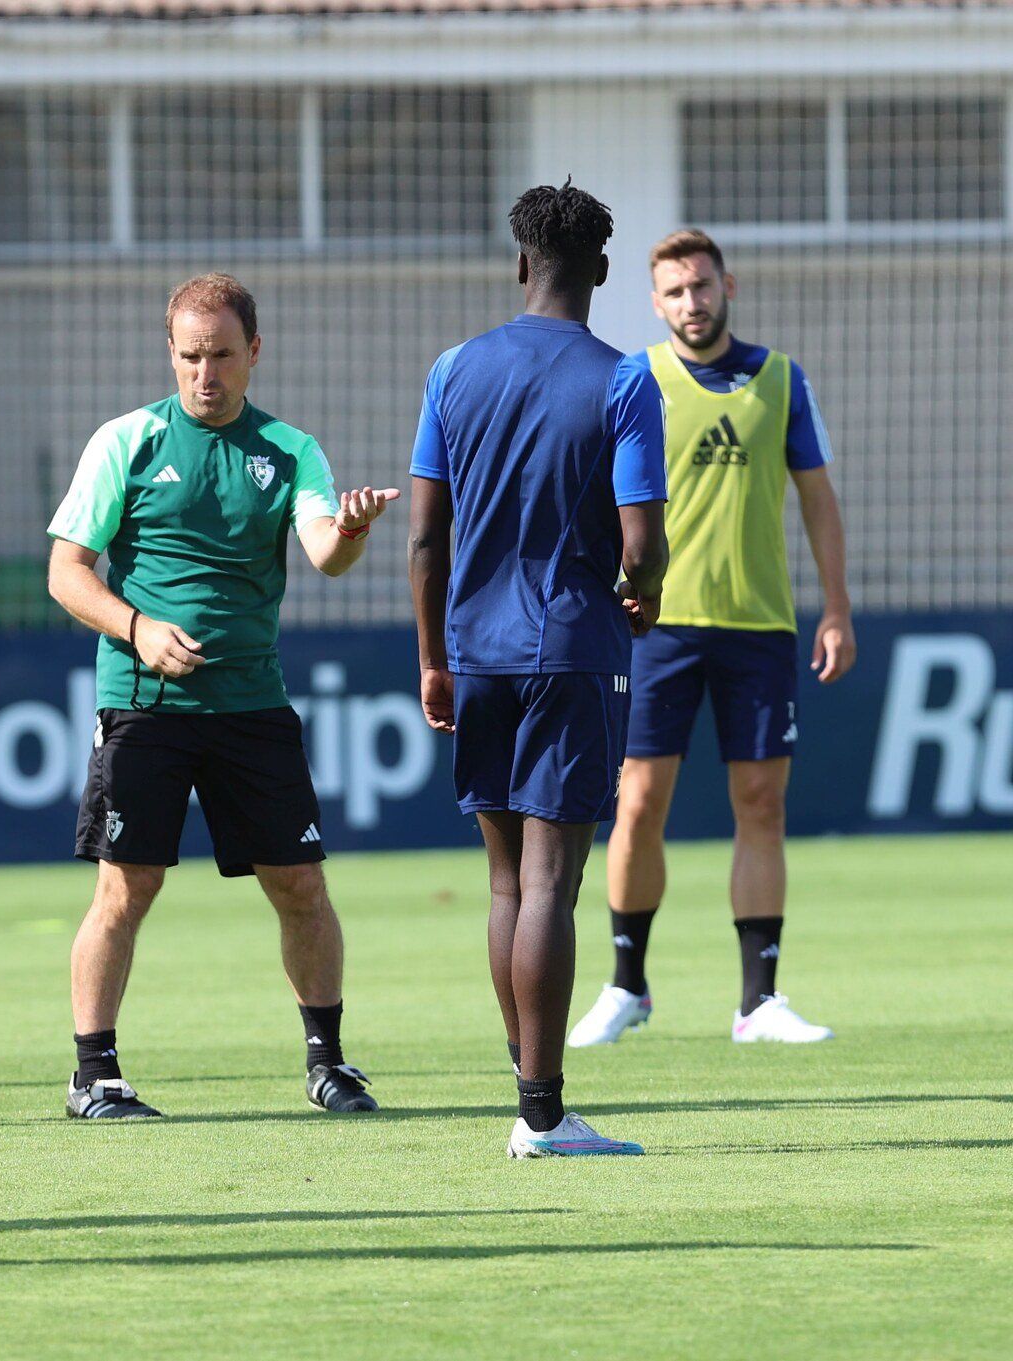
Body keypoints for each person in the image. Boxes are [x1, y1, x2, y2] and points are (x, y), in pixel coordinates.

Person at [46, 273, 395, 1121]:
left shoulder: (289, 449)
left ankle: (329, 1062)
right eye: (191, 356)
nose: (207, 373)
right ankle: (95, 1073)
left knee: (301, 885)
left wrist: (348, 532)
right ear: (170, 353)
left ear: (255, 353)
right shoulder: (126, 441)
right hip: (143, 705)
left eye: (223, 355)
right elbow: (66, 573)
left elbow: (323, 550)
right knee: (125, 889)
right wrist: (138, 629)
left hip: (252, 702)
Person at [408, 183, 667, 1158]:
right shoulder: (623, 379)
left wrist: (432, 657)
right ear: (598, 269)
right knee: (553, 884)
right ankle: (543, 1113)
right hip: (568, 650)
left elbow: (424, 538)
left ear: (519, 263)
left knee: (504, 883)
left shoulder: (451, 370)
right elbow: (638, 541)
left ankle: (527, 1096)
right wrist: (640, 587)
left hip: (474, 651)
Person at [570, 229, 851, 1049]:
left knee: (761, 805)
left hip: (760, 625)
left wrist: (836, 607)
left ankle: (758, 1000)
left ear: (727, 285)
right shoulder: (635, 379)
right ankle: (626, 986)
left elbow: (819, 500)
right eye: (675, 292)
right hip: (654, 624)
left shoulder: (780, 379)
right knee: (638, 802)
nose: (691, 302)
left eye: (701, 286)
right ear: (654, 303)